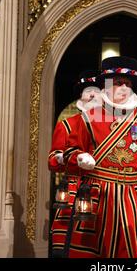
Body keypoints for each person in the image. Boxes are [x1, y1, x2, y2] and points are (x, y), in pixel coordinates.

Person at [62, 56, 137, 258]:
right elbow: (69, 153)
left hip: (133, 198)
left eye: (128, 83)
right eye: (118, 83)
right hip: (98, 196)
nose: (124, 88)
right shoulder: (88, 117)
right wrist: (80, 158)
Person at [48, 69, 101, 257]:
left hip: (102, 191)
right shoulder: (67, 125)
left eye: (97, 90)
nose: (93, 94)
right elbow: (52, 161)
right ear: (81, 97)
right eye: (89, 91)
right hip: (75, 190)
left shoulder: (112, 126)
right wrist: (64, 157)